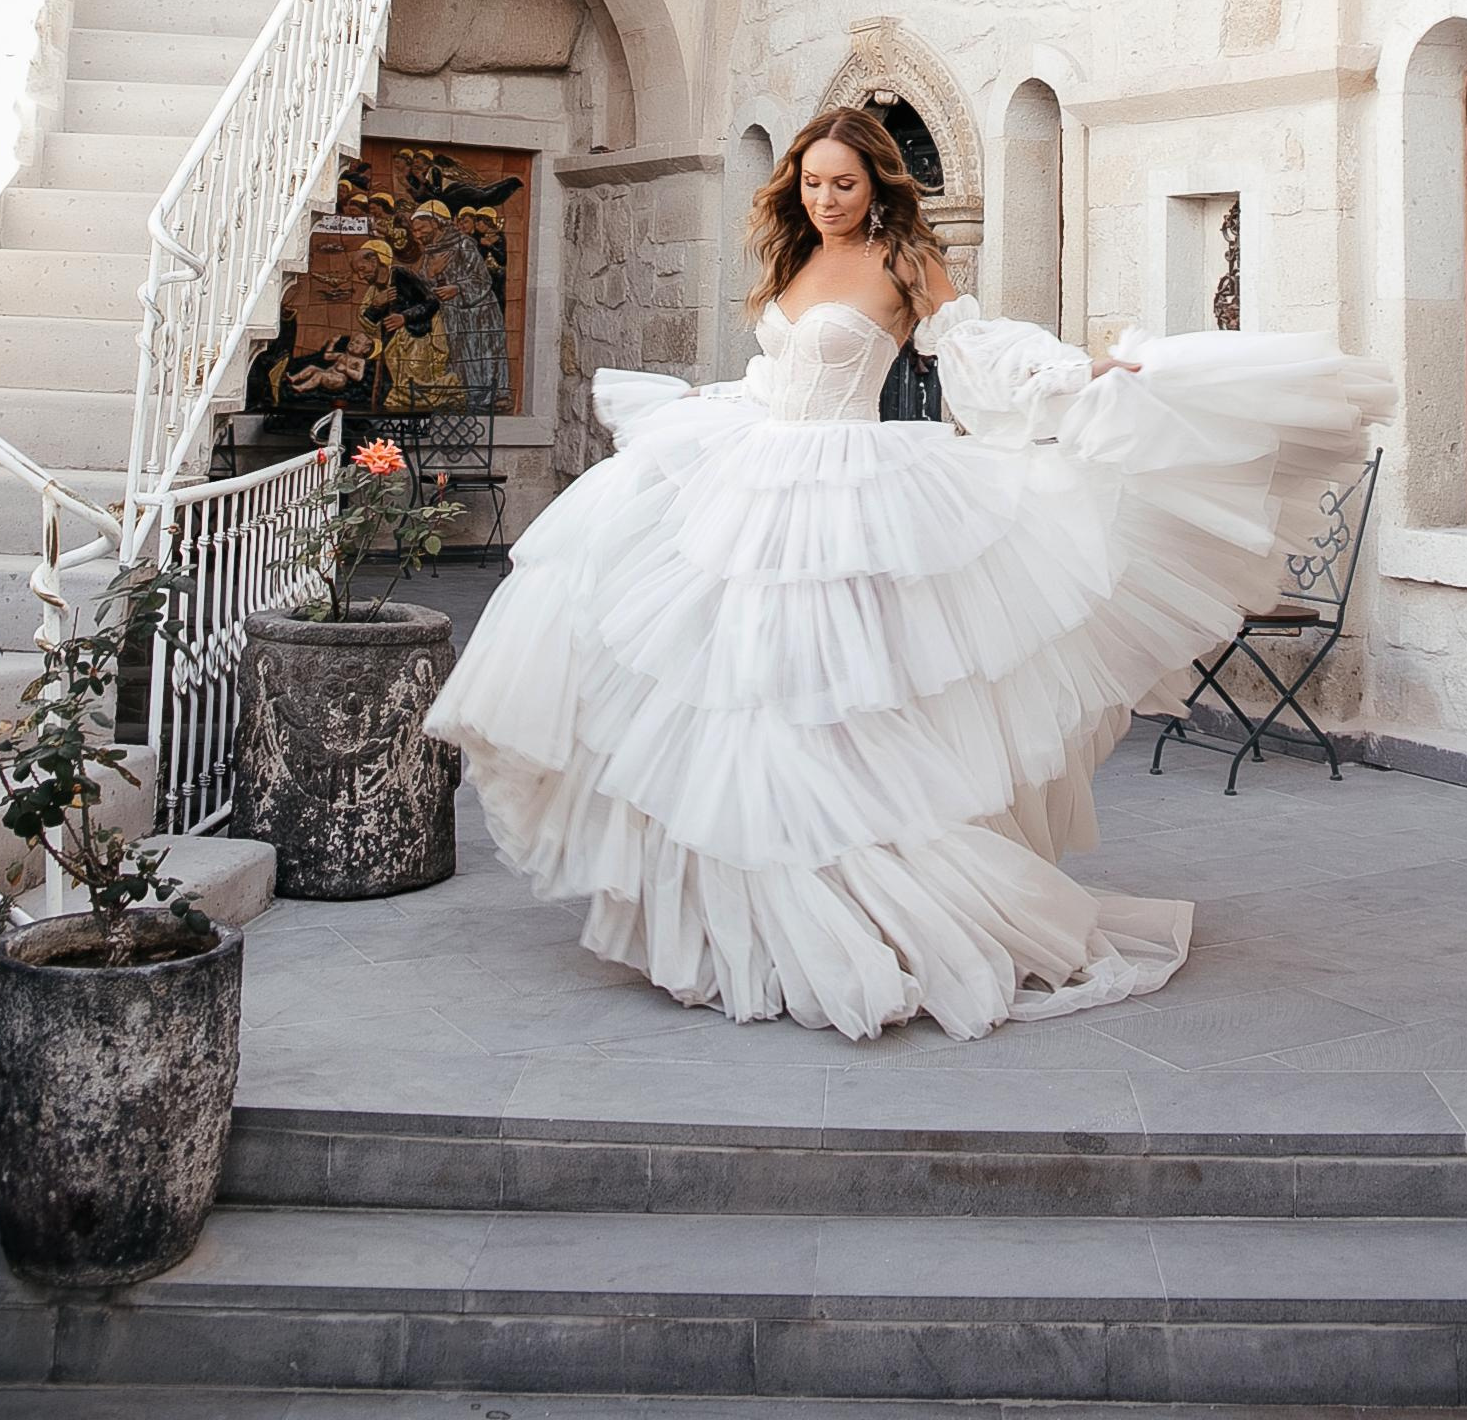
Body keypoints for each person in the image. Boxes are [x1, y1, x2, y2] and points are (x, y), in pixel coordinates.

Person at [424, 105, 1392, 1041]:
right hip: (759, 477)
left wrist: (1073, 376)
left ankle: (860, 904)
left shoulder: (902, 258)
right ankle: (748, 918)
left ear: (875, 183)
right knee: (737, 689)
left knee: (830, 703)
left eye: (842, 184)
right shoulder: (795, 254)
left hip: (850, 495)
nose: (825, 200)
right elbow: (776, 378)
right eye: (811, 184)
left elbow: (969, 346)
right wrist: (700, 406)